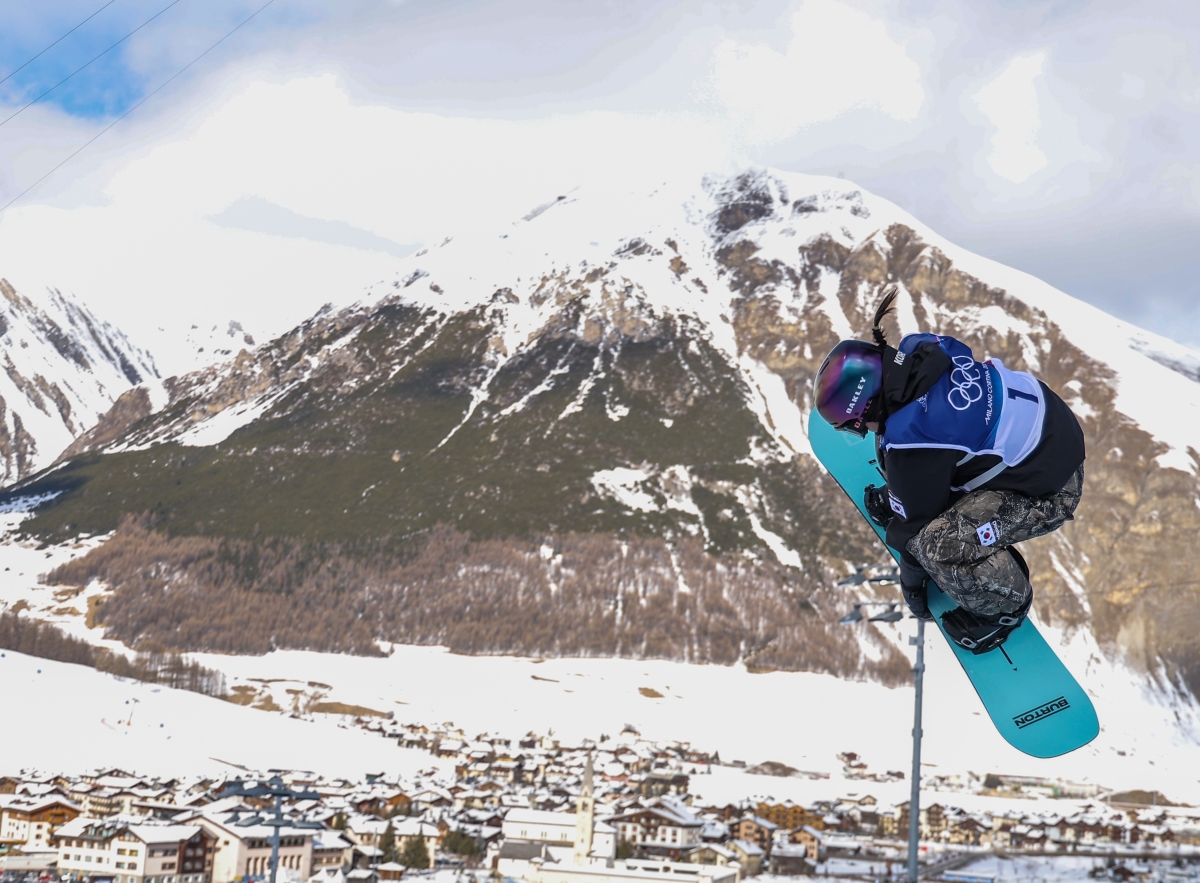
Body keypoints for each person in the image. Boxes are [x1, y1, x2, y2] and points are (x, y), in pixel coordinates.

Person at [812, 288, 1086, 653]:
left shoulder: (916, 441)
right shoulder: (922, 349)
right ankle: (924, 493)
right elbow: (943, 435)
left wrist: (911, 584)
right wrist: (906, 493)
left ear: (867, 408)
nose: (860, 431)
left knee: (938, 545)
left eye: (855, 425)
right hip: (1051, 435)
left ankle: (1005, 605)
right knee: (899, 452)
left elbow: (914, 534)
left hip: (1052, 488)